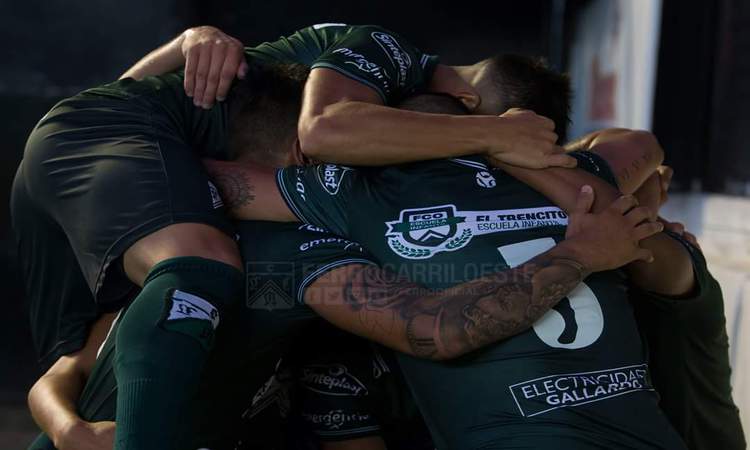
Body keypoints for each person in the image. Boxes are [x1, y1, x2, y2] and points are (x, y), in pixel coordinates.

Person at [26, 63, 648, 450]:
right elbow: (432, 326)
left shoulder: (211, 235)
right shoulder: (279, 248)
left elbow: (65, 368)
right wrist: (581, 243)